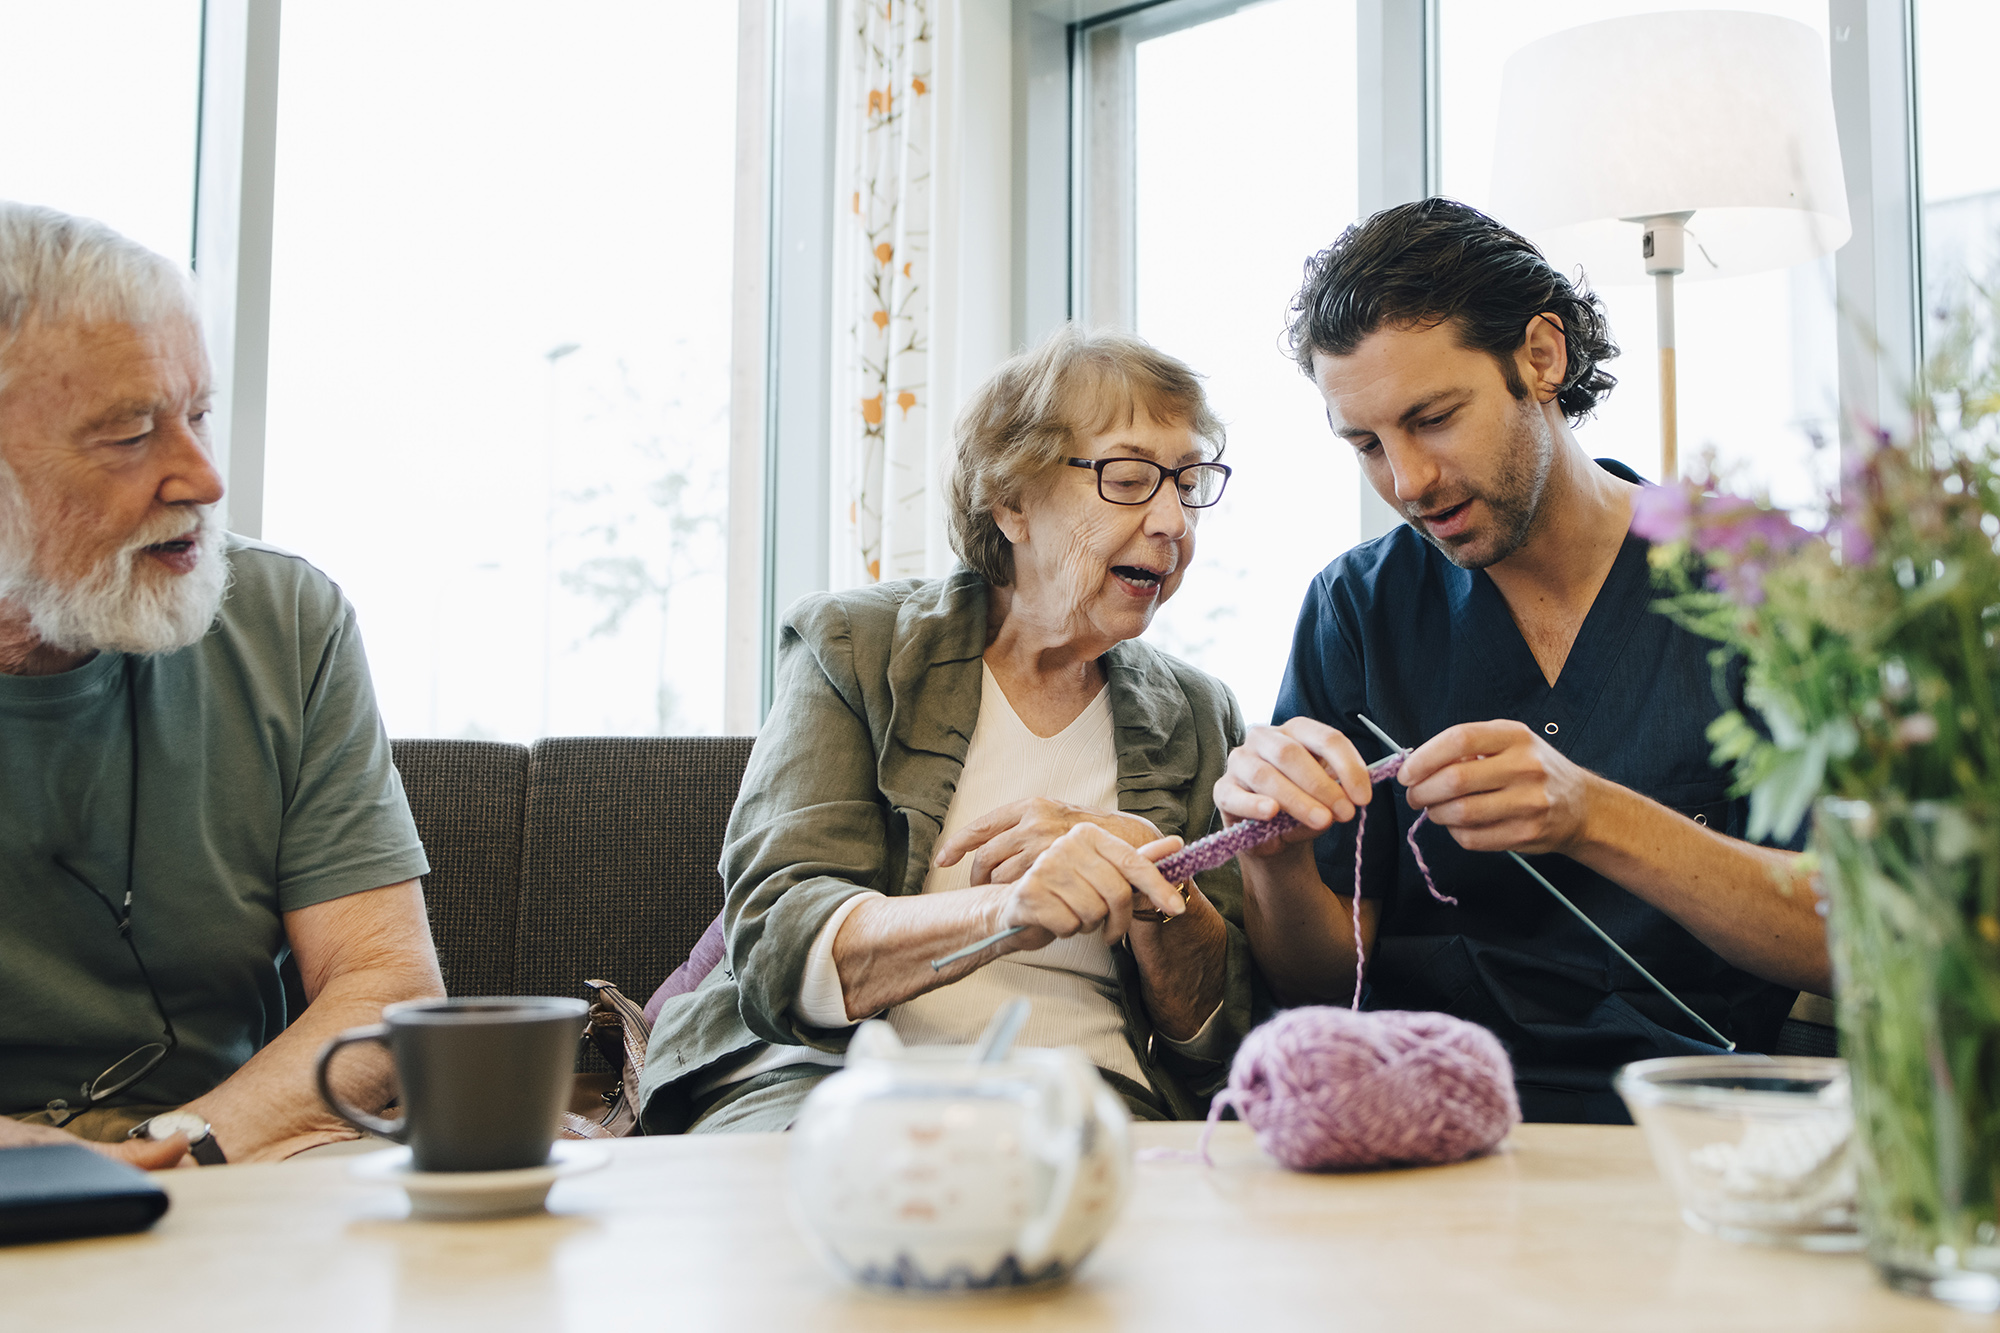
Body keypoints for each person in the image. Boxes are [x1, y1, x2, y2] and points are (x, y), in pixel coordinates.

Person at [1215, 199, 1829, 1123]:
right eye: (1367, 445)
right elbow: (1317, 984)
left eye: (1434, 417)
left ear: (1542, 357)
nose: (1408, 481)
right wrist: (1274, 856)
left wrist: (1589, 815)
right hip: (1414, 1125)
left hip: (1685, 1126)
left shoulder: (1768, 585)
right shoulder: (1358, 608)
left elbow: (1859, 934)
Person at [640, 326, 1252, 1132]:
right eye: (1132, 478)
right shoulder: (855, 647)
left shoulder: (1202, 713)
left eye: (1189, 482)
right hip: (828, 1081)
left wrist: (1158, 892)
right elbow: (776, 938)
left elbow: (1219, 1039)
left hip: (1091, 1102)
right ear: (1012, 500)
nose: (1175, 520)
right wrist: (1005, 912)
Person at [0, 203, 443, 1167]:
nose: (201, 476)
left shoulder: (285, 619)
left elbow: (385, 984)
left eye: (197, 415)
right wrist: (48, 1170)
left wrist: (184, 1150)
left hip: (234, 1164)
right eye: (129, 436)